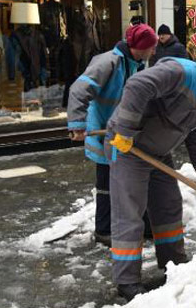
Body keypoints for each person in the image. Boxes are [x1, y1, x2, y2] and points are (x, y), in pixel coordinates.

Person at [105, 51, 196, 301]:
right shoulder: (181, 72)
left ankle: (174, 261)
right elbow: (137, 85)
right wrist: (125, 130)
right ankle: (127, 281)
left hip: (158, 153)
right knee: (130, 213)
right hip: (129, 148)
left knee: (169, 205)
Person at [67, 24, 157, 247]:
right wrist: (77, 124)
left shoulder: (137, 65)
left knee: (137, 180)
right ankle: (103, 230)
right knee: (106, 184)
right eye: (151, 47)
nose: (154, 52)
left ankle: (145, 226)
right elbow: (78, 90)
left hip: (126, 133)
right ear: (141, 47)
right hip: (103, 132)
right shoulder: (108, 62)